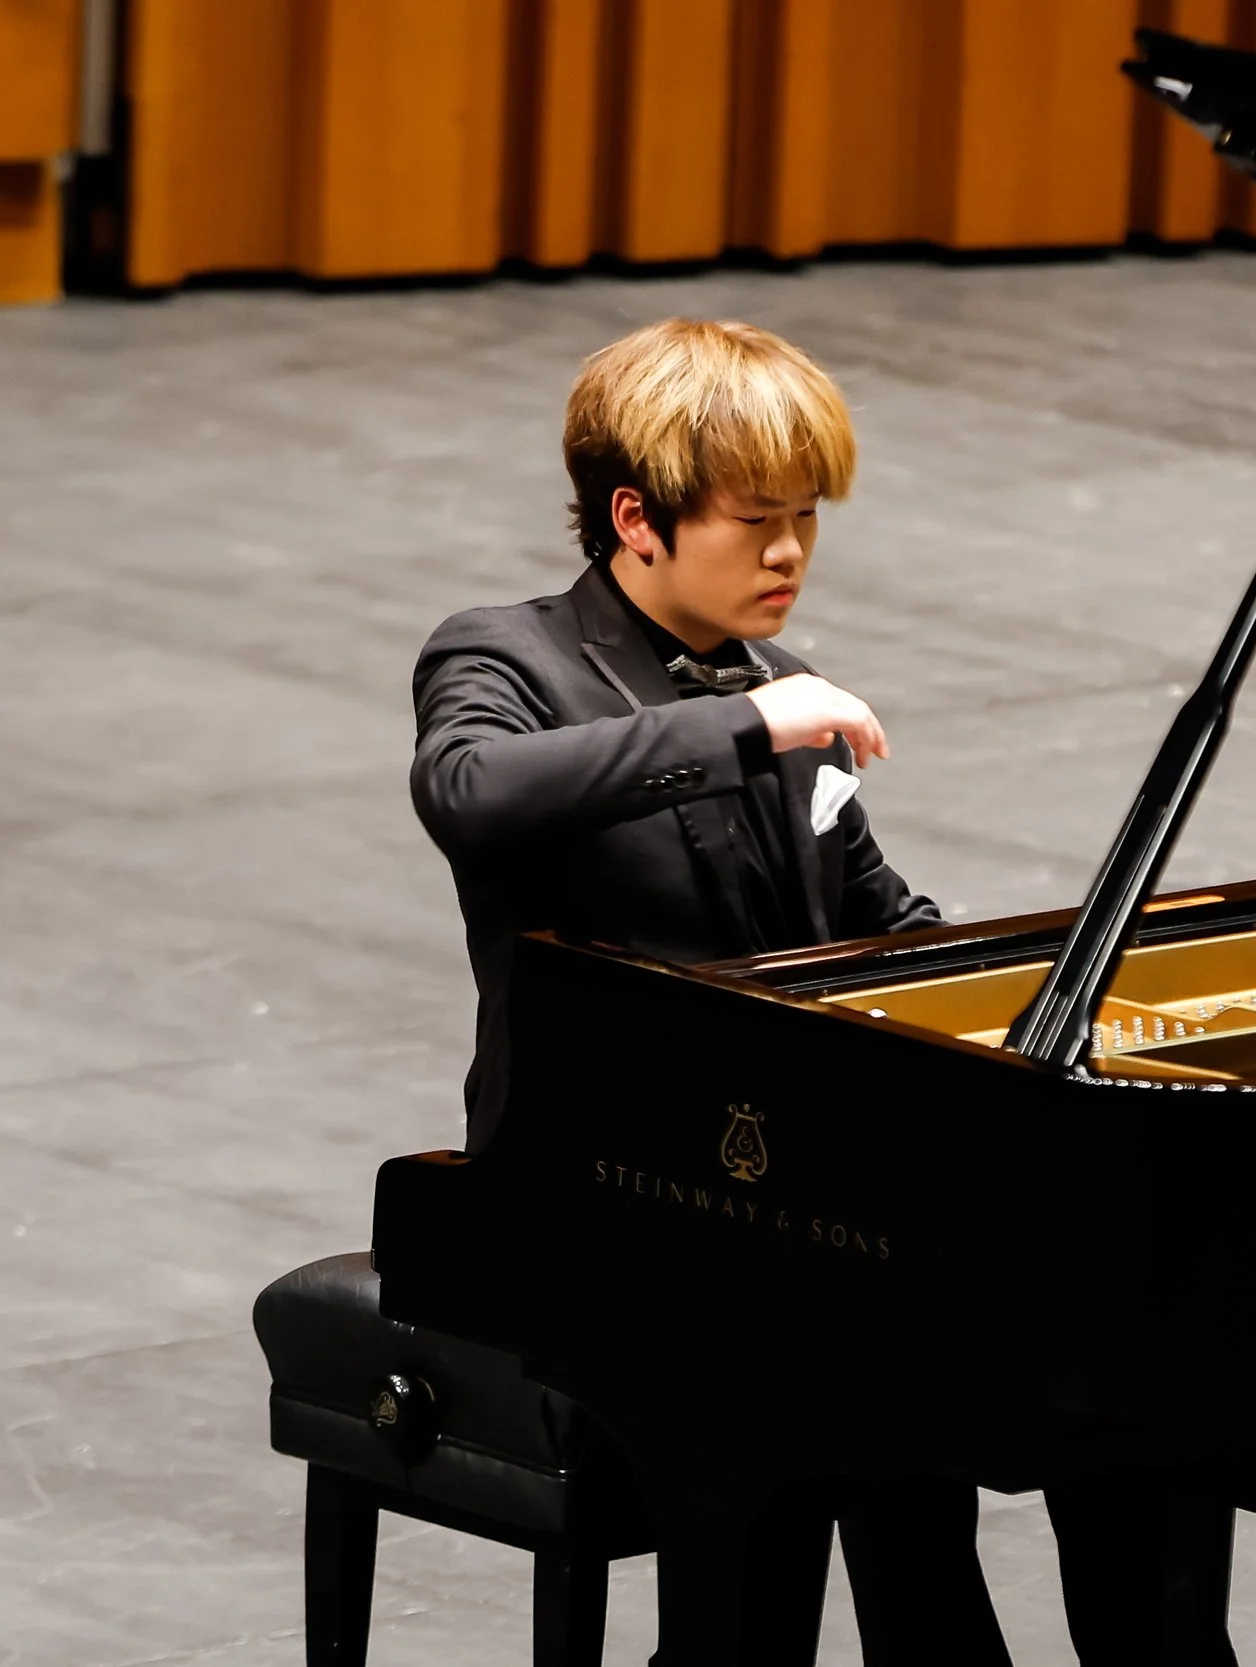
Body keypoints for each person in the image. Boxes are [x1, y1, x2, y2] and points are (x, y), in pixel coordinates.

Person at [408, 317, 1006, 1667]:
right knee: (843, 1380)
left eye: (807, 521)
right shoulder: (507, 657)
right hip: (591, 1192)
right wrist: (737, 727)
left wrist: (1022, 979)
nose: (792, 553)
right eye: (758, 523)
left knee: (924, 1376)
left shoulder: (787, 690)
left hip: (778, 1177)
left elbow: (872, 913)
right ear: (637, 518)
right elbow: (468, 792)